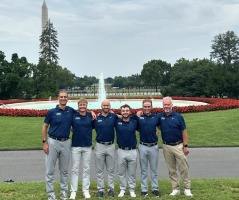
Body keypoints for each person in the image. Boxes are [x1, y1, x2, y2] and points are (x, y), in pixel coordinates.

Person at [42, 90, 75, 200]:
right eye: (61, 97)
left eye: (65, 97)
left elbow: (83, 113)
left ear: (67, 98)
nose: (63, 98)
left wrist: (92, 113)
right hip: (53, 142)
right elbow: (45, 126)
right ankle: (51, 194)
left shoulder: (71, 111)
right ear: (58, 98)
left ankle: (64, 192)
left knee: (64, 171)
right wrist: (44, 142)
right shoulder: (52, 112)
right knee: (50, 170)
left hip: (66, 142)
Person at [158, 96, 193, 197]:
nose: (166, 106)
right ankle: (175, 188)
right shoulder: (160, 116)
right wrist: (140, 113)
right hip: (166, 146)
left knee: (184, 168)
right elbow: (151, 121)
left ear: (172, 105)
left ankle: (187, 188)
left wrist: (185, 146)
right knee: (172, 169)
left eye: (168, 104)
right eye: (165, 104)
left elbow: (184, 131)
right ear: (162, 105)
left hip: (179, 146)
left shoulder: (178, 116)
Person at [69, 98, 94, 200]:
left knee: (86, 169)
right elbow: (70, 127)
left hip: (87, 146)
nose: (82, 106)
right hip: (76, 146)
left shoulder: (90, 116)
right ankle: (73, 191)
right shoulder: (73, 116)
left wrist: (91, 112)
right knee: (75, 169)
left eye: (84, 105)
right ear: (78, 106)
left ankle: (85, 190)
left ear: (87, 106)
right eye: (81, 105)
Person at [136, 99, 161, 197]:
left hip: (154, 146)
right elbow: (126, 118)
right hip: (142, 146)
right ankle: (144, 189)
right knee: (143, 170)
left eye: (148, 106)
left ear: (151, 107)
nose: (147, 108)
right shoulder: (138, 117)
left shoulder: (156, 117)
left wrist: (158, 132)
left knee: (154, 169)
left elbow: (160, 127)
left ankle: (155, 188)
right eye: (145, 106)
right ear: (142, 107)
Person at [93, 99, 118, 198]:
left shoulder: (114, 116)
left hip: (111, 145)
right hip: (99, 145)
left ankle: (111, 189)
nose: (106, 107)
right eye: (104, 105)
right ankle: (100, 189)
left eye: (107, 105)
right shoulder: (96, 118)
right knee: (100, 169)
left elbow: (125, 118)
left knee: (111, 169)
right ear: (101, 106)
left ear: (110, 106)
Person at [115, 104, 138, 198]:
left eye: (127, 110)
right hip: (121, 150)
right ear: (121, 112)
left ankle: (132, 189)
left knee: (132, 173)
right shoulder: (116, 122)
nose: (125, 112)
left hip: (132, 150)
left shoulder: (135, 121)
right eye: (123, 111)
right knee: (121, 172)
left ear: (130, 112)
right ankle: (122, 189)